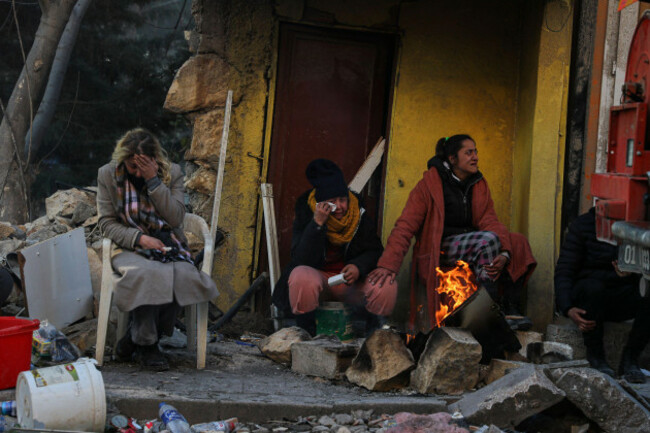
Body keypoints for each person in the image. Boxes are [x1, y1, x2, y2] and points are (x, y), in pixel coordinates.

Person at [368, 134, 536, 334]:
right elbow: (405, 226)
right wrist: (388, 264)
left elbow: (490, 221)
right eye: (468, 152)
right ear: (452, 159)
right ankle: (490, 310)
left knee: (517, 242)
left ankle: (510, 308)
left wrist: (505, 252)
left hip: (474, 243)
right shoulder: (429, 184)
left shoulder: (478, 183)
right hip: (440, 248)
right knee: (487, 240)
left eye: (476, 152)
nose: (475, 157)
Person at [97, 128, 219, 370]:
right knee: (147, 274)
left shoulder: (171, 173)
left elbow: (175, 218)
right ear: (123, 160)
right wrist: (139, 238)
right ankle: (147, 345)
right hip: (129, 246)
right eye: (133, 167)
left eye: (144, 166)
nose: (138, 172)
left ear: (155, 160)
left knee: (182, 275)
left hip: (169, 242)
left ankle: (135, 337)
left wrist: (154, 180)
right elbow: (106, 223)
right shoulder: (108, 175)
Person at [271, 159, 398, 336]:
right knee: (300, 275)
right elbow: (301, 259)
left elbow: (375, 251)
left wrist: (358, 267)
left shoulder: (358, 215)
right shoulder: (308, 214)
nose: (339, 207)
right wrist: (316, 225)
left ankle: (375, 336)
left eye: (342, 200)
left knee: (386, 283)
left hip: (350, 283)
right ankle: (306, 333)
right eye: (332, 201)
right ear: (322, 203)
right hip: (320, 282)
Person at [555, 207, 650, 383]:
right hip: (589, 298)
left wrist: (632, 274)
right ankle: (596, 357)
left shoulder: (638, 228)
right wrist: (567, 307)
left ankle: (630, 360)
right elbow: (565, 270)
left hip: (620, 296)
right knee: (592, 287)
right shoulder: (583, 225)